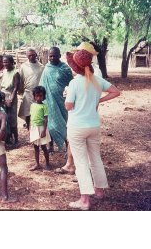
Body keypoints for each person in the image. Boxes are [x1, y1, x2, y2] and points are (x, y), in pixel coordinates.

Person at [65, 48, 120, 210]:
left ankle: (85, 200)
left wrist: (66, 95)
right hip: (93, 125)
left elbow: (68, 106)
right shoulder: (97, 80)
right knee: (95, 158)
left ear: (75, 67)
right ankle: (100, 190)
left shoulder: (74, 83)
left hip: (77, 127)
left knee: (81, 162)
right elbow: (116, 92)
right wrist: (98, 101)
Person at [56, 42, 101, 175]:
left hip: (85, 113)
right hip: (77, 112)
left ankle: (84, 172)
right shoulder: (80, 70)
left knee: (85, 141)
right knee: (74, 139)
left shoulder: (95, 72)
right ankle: (70, 164)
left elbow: (93, 93)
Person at [39, 46, 73, 152]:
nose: (52, 58)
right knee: (50, 123)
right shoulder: (47, 68)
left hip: (62, 101)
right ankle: (51, 146)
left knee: (65, 122)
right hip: (49, 101)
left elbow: (71, 84)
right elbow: (42, 84)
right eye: (50, 56)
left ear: (59, 55)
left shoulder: (65, 69)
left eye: (55, 56)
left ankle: (68, 145)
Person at [18, 48, 44, 130]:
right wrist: (21, 91)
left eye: (33, 55)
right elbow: (21, 79)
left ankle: (38, 128)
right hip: (28, 92)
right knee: (27, 111)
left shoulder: (41, 67)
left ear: (36, 55)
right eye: (29, 55)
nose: (31, 57)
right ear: (27, 56)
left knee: (38, 111)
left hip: (38, 93)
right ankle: (29, 127)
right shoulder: (23, 66)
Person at [29, 86, 51, 171]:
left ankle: (48, 163)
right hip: (34, 128)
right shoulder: (32, 105)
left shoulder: (44, 106)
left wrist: (44, 130)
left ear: (43, 96)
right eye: (37, 96)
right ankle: (37, 164)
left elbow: (46, 119)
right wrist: (30, 128)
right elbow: (31, 117)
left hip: (41, 128)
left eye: (41, 96)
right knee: (35, 147)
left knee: (44, 147)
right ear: (34, 96)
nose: (39, 98)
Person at [1, 55, 20, 147]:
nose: (5, 64)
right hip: (3, 95)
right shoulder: (4, 71)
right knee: (5, 117)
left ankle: (16, 139)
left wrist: (11, 99)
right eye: (4, 62)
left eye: (6, 62)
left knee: (12, 119)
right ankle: (8, 138)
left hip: (11, 94)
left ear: (12, 62)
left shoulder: (15, 72)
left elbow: (16, 87)